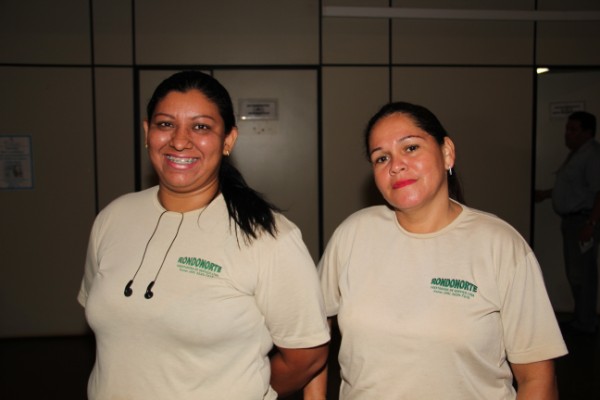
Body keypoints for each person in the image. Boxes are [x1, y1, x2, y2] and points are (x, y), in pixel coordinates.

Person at [77, 70, 329, 400]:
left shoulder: (268, 236)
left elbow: (306, 356)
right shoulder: (112, 218)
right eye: (165, 124)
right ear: (147, 132)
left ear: (228, 140)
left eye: (201, 127)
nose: (180, 141)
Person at [305, 101, 567, 399]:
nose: (396, 165)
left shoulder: (501, 245)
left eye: (411, 148)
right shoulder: (353, 234)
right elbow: (313, 326)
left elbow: (537, 378)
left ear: (447, 152)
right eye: (381, 158)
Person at [536, 111, 600, 334]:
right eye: (567, 129)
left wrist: (591, 224)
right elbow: (574, 188)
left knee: (583, 274)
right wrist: (546, 194)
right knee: (575, 273)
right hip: (572, 222)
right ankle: (580, 318)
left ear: (587, 132)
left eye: (573, 129)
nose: (567, 134)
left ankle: (586, 323)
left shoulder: (592, 155)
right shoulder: (576, 154)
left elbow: (598, 192)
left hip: (583, 222)